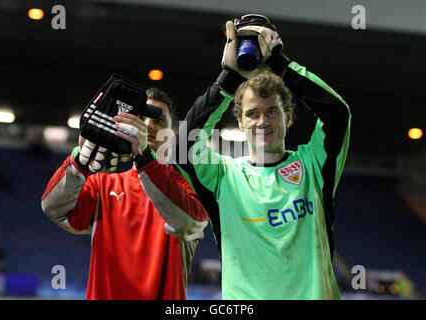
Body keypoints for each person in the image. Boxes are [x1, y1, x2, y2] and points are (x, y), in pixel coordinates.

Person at [173, 14, 351, 299]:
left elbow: (337, 114)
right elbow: (183, 146)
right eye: (252, 113)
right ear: (241, 122)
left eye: (272, 112)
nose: (262, 121)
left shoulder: (313, 165)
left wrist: (283, 65)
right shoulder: (222, 177)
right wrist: (228, 80)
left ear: (289, 117)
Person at [41, 87, 209, 300]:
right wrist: (81, 160)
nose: (148, 125)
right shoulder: (102, 185)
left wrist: (145, 158)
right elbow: (54, 208)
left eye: (158, 120)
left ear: (173, 132)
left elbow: (186, 224)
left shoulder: (189, 190)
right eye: (141, 118)